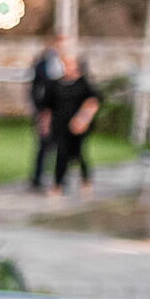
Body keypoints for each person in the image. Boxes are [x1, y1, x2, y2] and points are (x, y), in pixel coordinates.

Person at [44, 45, 102, 198]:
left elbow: (94, 101)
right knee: (61, 152)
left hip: (78, 125)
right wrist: (45, 123)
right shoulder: (55, 84)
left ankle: (86, 179)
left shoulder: (83, 83)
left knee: (78, 153)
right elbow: (48, 105)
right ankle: (58, 184)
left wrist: (82, 119)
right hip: (60, 124)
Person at [28, 34, 70, 190]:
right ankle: (38, 177)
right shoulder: (42, 64)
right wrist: (41, 110)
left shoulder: (71, 64)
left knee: (63, 145)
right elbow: (35, 88)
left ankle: (60, 177)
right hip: (46, 110)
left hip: (63, 111)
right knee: (44, 144)